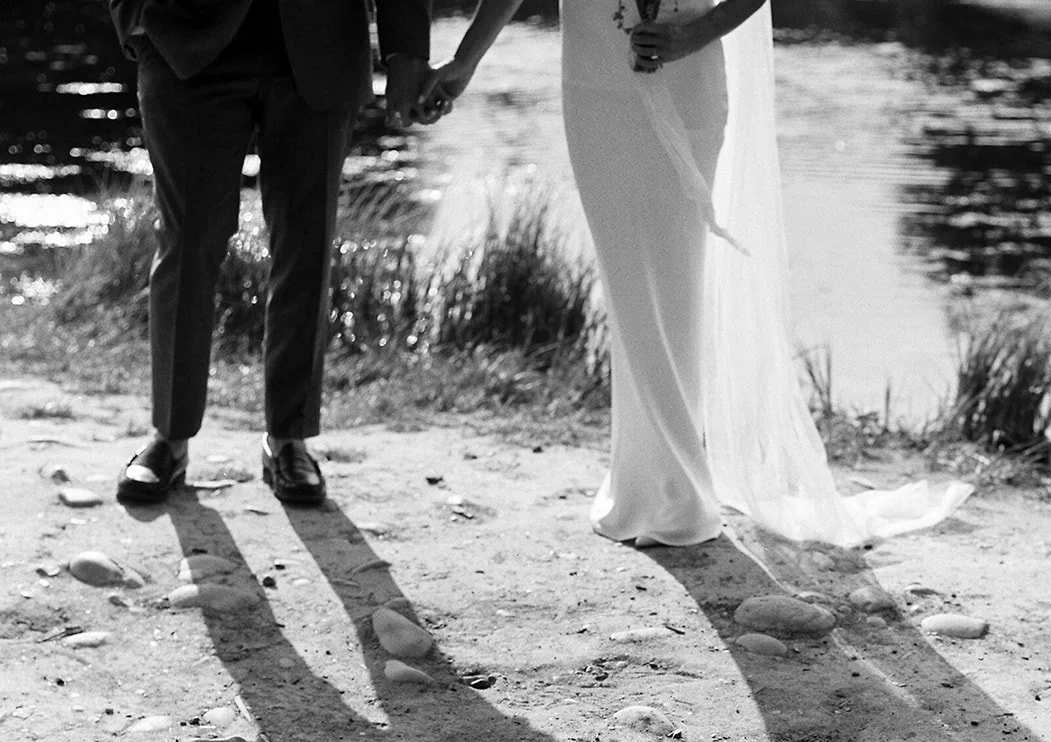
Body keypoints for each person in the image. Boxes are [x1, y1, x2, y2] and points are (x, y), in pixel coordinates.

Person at [421, 0, 968, 548]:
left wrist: (697, 33)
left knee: (676, 283)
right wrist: (465, 62)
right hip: (594, 88)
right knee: (626, 282)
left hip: (689, 81)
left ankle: (681, 492)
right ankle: (641, 481)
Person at [107, 0, 434, 507]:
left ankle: (289, 438)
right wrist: (134, 18)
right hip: (182, 35)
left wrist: (406, 51)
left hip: (322, 41)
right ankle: (169, 436)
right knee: (187, 242)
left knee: (306, 245)